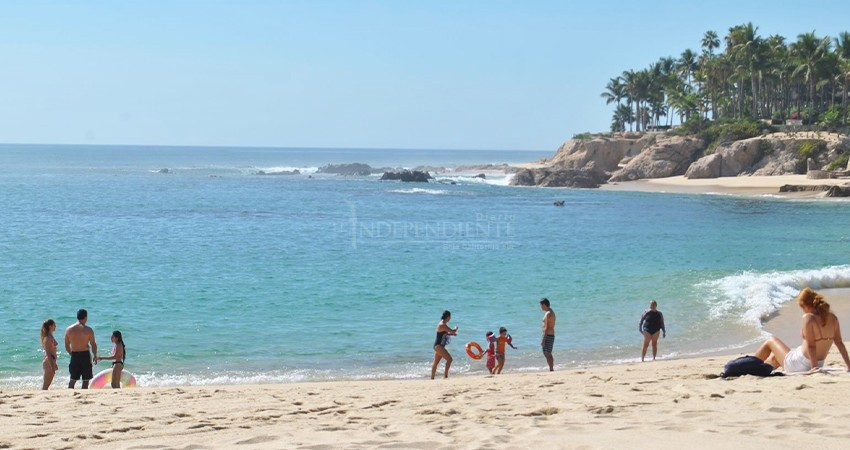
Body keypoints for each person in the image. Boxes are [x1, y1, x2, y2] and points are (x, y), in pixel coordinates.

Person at [753, 288, 850, 373]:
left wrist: (815, 368)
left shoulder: (808, 318)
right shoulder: (833, 318)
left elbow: (811, 346)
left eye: (802, 308)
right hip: (818, 362)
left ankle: (749, 364)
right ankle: (759, 370)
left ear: (806, 306)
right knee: (775, 359)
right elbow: (839, 343)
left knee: (771, 340)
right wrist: (849, 365)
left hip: (800, 363)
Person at [65, 309, 98, 389]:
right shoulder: (88, 330)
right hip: (85, 355)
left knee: (73, 379)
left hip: (75, 354)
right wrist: (95, 355)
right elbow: (93, 344)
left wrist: (72, 354)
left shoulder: (69, 329)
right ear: (86, 317)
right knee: (86, 380)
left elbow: (66, 346)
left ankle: (70, 394)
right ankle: (84, 395)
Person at [431, 310, 458, 380]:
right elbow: (452, 330)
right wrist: (455, 329)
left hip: (438, 346)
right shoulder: (442, 325)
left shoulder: (443, 324)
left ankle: (432, 378)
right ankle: (445, 376)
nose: (450, 319)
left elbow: (445, 333)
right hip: (439, 346)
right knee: (449, 359)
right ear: (448, 317)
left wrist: (452, 334)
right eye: (450, 317)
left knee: (436, 362)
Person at [41, 319, 59, 390]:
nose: (55, 326)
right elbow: (48, 353)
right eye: (54, 325)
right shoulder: (48, 338)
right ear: (50, 326)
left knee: (48, 383)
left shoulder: (50, 336)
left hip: (51, 361)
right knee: (46, 385)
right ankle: (42, 396)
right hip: (48, 361)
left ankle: (43, 394)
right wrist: (52, 365)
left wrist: (54, 363)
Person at [540, 298, 556, 371]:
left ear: (544, 304)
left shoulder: (548, 313)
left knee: (546, 352)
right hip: (551, 334)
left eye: (541, 305)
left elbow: (547, 327)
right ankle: (551, 368)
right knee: (548, 352)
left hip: (548, 335)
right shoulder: (551, 312)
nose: (541, 307)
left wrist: (544, 339)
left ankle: (551, 368)